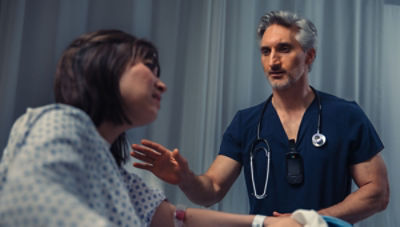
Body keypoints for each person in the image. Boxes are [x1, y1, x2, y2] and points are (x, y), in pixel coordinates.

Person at [0, 29, 306, 227]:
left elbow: (176, 218)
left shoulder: (115, 175)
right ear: (102, 66)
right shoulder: (56, 122)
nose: (161, 84)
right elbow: (26, 207)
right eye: (147, 67)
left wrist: (265, 224)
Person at [131, 10, 390, 224]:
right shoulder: (246, 122)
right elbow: (211, 190)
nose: (273, 61)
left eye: (284, 49)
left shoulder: (346, 115)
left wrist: (308, 221)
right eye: (266, 51)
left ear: (309, 55)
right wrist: (186, 179)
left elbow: (377, 192)